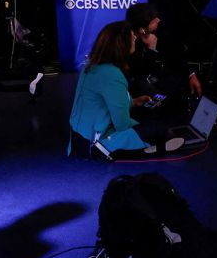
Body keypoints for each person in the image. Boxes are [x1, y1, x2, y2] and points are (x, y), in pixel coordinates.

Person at [69, 21, 184, 157]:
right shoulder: (112, 74)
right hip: (97, 144)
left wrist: (132, 102)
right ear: (121, 44)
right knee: (157, 127)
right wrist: (142, 125)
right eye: (132, 36)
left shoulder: (91, 66)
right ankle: (149, 146)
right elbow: (122, 125)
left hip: (79, 139)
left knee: (143, 117)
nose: (135, 38)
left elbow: (100, 100)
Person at [124, 2, 202, 111]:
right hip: (139, 89)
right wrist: (151, 49)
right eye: (153, 19)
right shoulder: (127, 42)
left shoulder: (159, 34)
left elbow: (175, 56)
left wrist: (191, 74)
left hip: (158, 81)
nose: (158, 20)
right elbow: (139, 73)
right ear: (142, 28)